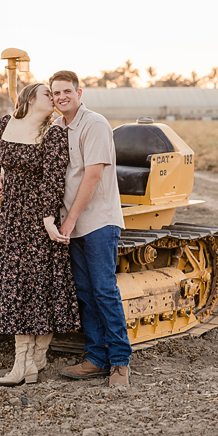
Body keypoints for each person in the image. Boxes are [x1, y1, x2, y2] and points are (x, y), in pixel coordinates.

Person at [0, 82, 80, 386]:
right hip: (12, 217)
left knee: (40, 288)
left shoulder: (54, 134)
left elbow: (53, 181)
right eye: (48, 94)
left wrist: (49, 221)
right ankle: (25, 364)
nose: (54, 99)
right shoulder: (4, 125)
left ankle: (32, 363)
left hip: (39, 217)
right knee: (16, 286)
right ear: (29, 98)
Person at [50, 70, 132, 388]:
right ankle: (96, 358)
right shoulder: (57, 128)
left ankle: (120, 364)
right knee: (85, 293)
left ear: (79, 92)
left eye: (66, 91)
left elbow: (93, 175)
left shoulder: (94, 124)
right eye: (55, 93)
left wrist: (68, 221)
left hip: (97, 221)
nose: (61, 97)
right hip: (73, 225)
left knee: (104, 291)